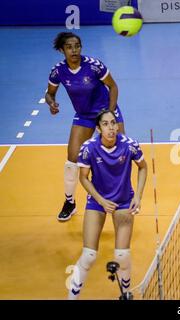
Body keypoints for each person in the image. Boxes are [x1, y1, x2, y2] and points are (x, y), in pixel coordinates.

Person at [67, 109, 147, 300]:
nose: (111, 128)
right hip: (98, 201)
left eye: (113, 123)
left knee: (122, 255)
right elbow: (84, 178)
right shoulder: (88, 148)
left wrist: (139, 196)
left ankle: (126, 294)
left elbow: (143, 167)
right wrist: (101, 201)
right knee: (88, 255)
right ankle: (71, 297)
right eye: (106, 124)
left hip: (123, 201)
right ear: (98, 128)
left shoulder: (130, 145)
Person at [46, 32, 126, 222]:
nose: (74, 50)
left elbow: (113, 87)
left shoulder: (94, 66)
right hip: (83, 115)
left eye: (77, 46)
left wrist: (110, 114)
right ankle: (69, 202)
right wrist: (51, 103)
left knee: (119, 155)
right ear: (62, 50)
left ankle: (121, 198)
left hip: (105, 112)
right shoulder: (58, 71)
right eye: (69, 47)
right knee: (72, 161)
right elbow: (49, 93)